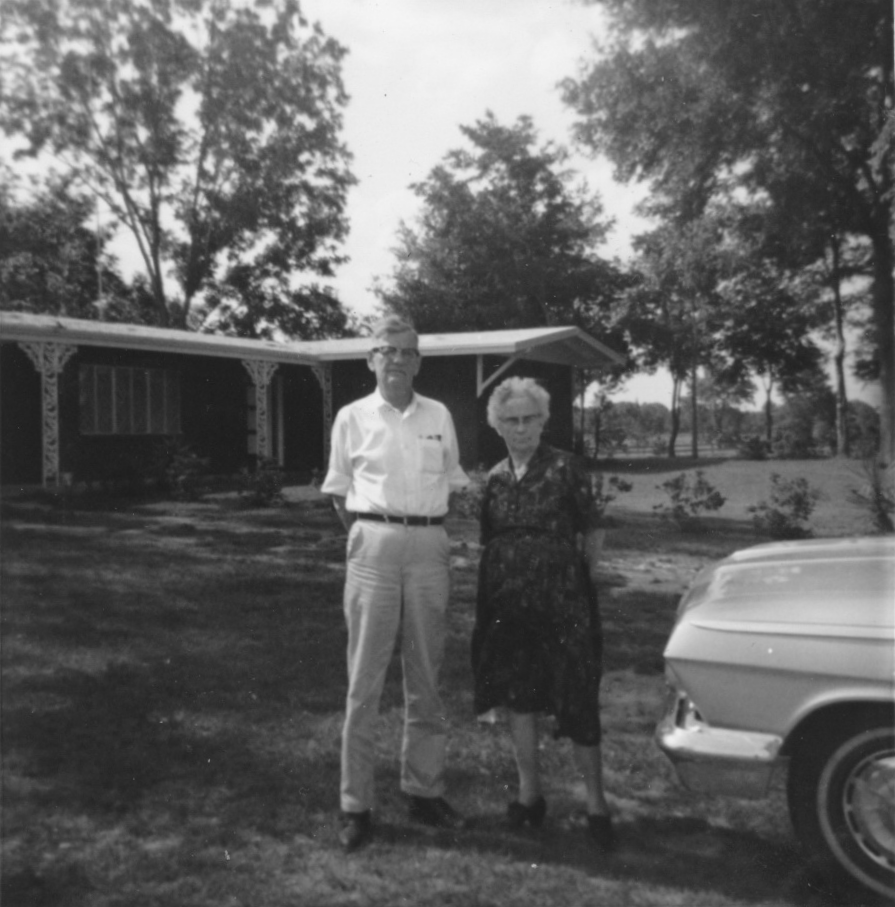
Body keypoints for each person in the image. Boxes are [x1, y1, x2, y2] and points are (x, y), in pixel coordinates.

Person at [321, 315, 470, 853]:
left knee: (426, 674)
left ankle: (424, 791)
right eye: (388, 351)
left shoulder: (440, 415)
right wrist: (373, 535)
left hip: (430, 546)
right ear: (371, 359)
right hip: (373, 546)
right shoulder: (352, 417)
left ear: (419, 361)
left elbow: (452, 482)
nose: (398, 360)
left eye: (408, 352)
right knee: (364, 680)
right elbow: (339, 494)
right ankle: (355, 805)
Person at [471, 376, 614, 850]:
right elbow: (491, 539)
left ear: (543, 420)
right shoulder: (493, 477)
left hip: (562, 607)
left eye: (529, 418)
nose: (521, 428)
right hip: (508, 610)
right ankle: (530, 797)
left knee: (576, 695)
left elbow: (592, 535)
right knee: (519, 699)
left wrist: (572, 580)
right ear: (497, 425)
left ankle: (596, 804)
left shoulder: (566, 468)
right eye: (511, 420)